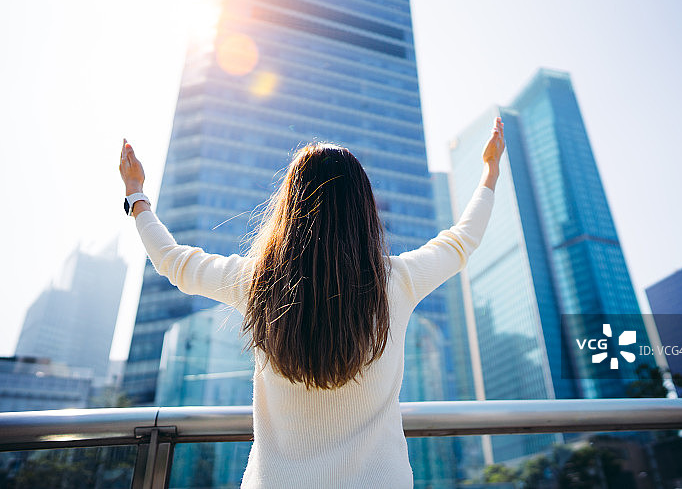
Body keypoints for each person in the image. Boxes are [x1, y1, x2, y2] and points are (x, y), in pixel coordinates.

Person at [119, 117, 505, 488]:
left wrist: (136, 193)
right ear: (364, 209)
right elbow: (462, 241)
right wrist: (490, 171)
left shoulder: (259, 282)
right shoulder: (396, 280)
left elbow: (172, 261)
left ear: (290, 206)